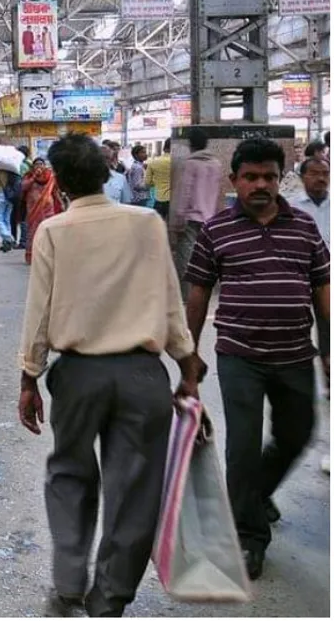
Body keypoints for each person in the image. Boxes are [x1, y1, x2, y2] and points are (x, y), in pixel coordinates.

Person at [18, 135, 201, 617]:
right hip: (143, 376)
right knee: (135, 490)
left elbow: (39, 314)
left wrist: (29, 378)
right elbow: (169, 301)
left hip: (78, 377)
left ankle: (69, 585)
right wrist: (187, 367)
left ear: (59, 181)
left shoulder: (54, 230)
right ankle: (110, 597)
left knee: (71, 476)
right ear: (106, 172)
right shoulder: (145, 224)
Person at [184, 138, 331, 581]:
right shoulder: (216, 231)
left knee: (298, 432)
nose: (261, 185)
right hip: (239, 357)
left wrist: (329, 354)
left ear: (280, 178)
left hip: (294, 355)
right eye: (251, 177)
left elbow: (324, 296)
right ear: (235, 181)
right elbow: (197, 296)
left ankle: (256, 493)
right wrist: (188, 357)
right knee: (242, 447)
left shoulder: (304, 227)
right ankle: (249, 537)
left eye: (269, 176)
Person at [292, 156, 331, 475]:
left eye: (326, 173)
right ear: (302, 176)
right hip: (302, 288)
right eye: (315, 173)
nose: (321, 178)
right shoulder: (292, 209)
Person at [170, 128, 223, 298]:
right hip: (210, 218)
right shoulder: (216, 164)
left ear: (190, 145)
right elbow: (218, 192)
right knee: (206, 257)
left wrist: (178, 219)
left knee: (186, 257)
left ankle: (187, 295)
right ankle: (206, 293)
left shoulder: (190, 164)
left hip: (191, 218)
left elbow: (185, 192)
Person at [21, 158, 65, 266]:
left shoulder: (49, 177)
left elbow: (55, 192)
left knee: (48, 231)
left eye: (41, 164)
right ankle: (32, 256)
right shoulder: (29, 176)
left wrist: (61, 203)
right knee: (33, 232)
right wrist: (34, 177)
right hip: (33, 209)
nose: (39, 166)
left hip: (48, 209)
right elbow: (23, 187)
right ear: (33, 166)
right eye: (36, 164)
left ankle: (48, 255)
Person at [145, 138, 173, 219]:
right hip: (174, 201)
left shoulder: (153, 162)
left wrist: (157, 181)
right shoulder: (178, 162)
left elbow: (147, 183)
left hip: (159, 200)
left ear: (164, 148)